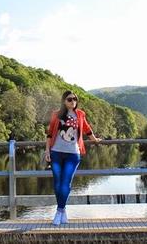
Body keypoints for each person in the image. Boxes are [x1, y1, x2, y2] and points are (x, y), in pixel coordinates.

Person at [44, 90, 102, 225]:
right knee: (57, 183)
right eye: (70, 99)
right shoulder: (56, 114)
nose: (73, 102)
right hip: (56, 152)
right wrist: (47, 151)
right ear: (64, 101)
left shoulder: (80, 114)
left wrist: (94, 140)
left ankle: (59, 211)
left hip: (73, 154)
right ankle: (63, 211)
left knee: (66, 183)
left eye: (75, 99)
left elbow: (87, 129)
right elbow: (49, 134)